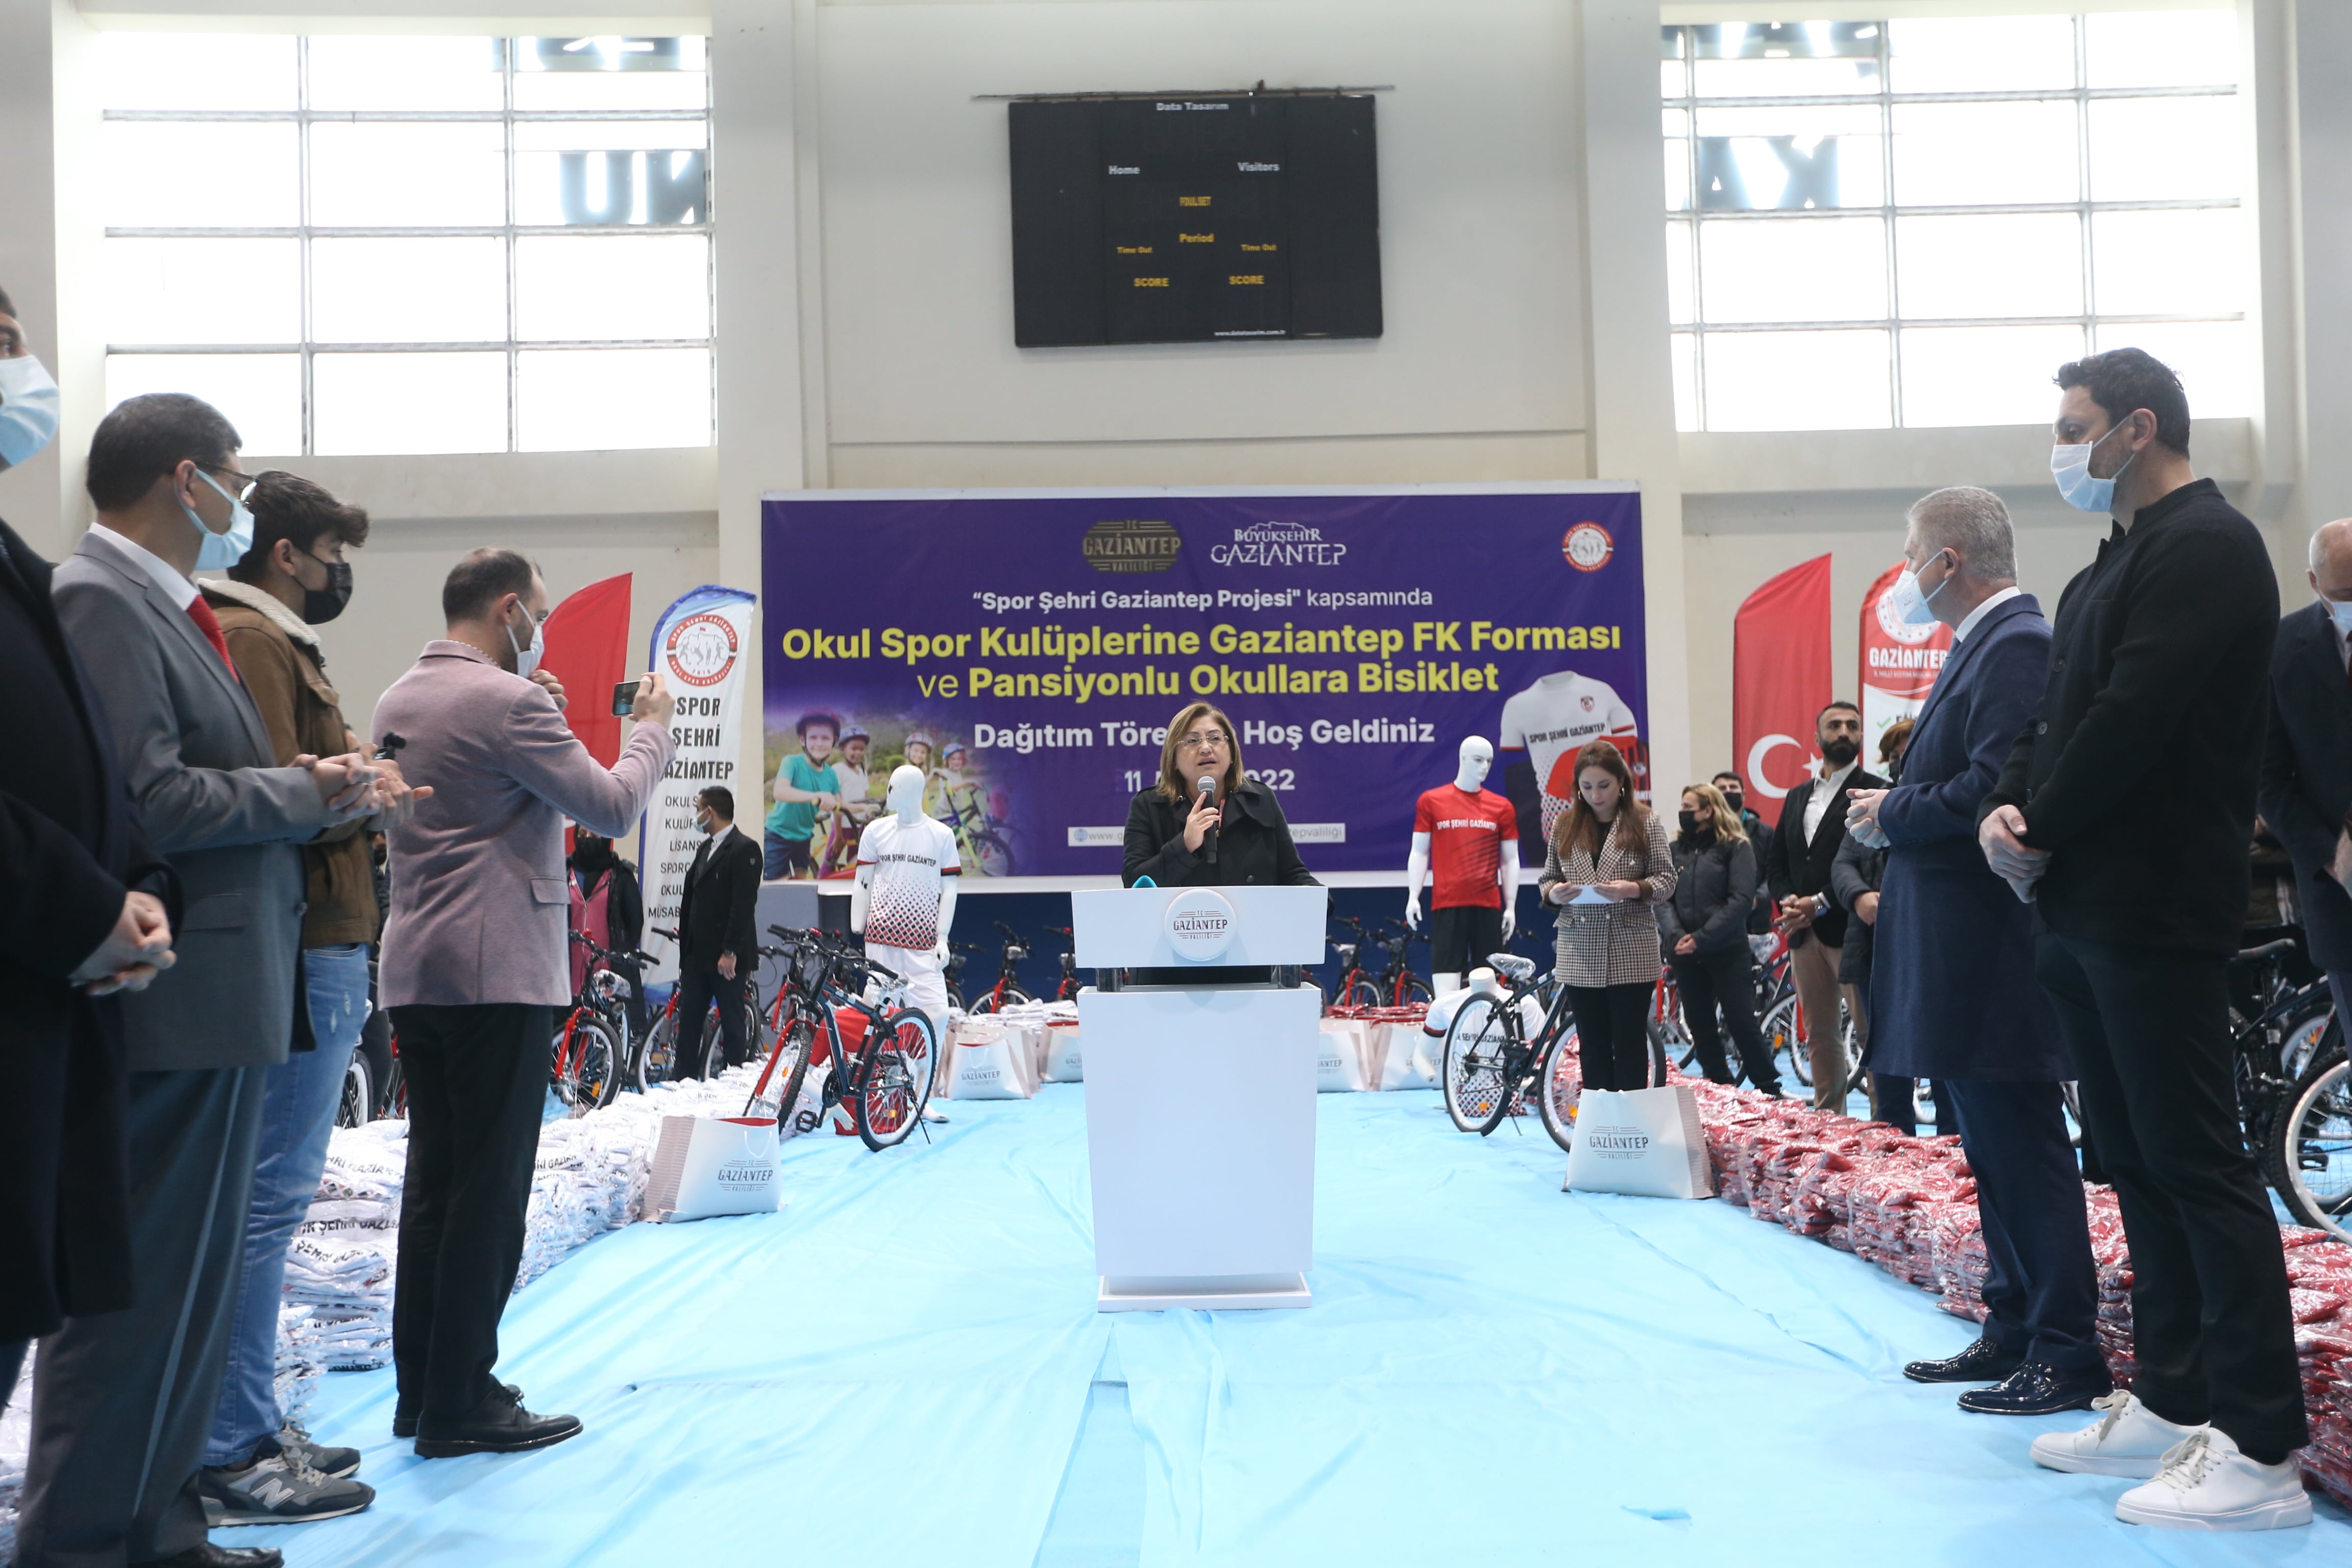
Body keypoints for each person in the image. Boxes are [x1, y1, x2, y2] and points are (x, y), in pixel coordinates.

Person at [30, 393, 379, 1568]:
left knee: (189, 1282)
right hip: (175, 987)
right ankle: (88, 1537)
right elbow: (150, 797)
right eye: (234, 474)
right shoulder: (100, 596)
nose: (241, 497)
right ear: (190, 480)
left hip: (226, 982)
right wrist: (305, 791)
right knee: (133, 1292)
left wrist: (308, 788)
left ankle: (162, 1523)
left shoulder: (175, 606)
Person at [1978, 349, 2307, 1528]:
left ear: (2138, 426)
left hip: (2157, 903)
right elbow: (2053, 715)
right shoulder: (2104, 565)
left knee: (2198, 1162)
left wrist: (2043, 824)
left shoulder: (2210, 547)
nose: (2060, 449)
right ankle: (2172, 1398)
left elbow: (2135, 717)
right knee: (2132, 1158)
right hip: (2081, 906)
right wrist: (2004, 808)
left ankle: (2261, 1444)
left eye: (2075, 426)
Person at [374, 549, 675, 1458]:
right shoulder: (509, 704)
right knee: (489, 1190)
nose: (540, 626)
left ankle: (426, 1388)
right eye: (536, 610)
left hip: (419, 968)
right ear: (509, 609)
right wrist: (652, 729)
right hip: (494, 971)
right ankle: (462, 1398)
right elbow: (612, 806)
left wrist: (529, 701)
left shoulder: (401, 698)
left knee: (435, 1183)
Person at [1844, 485, 2102, 1422]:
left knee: (2023, 1149)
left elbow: (1998, 788)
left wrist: (1892, 811)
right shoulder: (1979, 645)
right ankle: (2013, 1321)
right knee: (1988, 1150)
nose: (1904, 571)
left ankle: (2065, 1346)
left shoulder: (2016, 644)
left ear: (1947, 560)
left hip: (1989, 949)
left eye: (1910, 550)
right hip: (1956, 947)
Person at [196, 472, 424, 1525]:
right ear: (286, 553)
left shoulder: (276, 638)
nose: (341, 576)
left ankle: (242, 1425)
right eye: (334, 556)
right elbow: (268, 800)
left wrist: (353, 789)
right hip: (301, 942)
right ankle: (231, 1445)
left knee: (269, 1202)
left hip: (320, 938)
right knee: (265, 1204)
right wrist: (360, 795)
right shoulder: (254, 639)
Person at [0, 305, 178, 1442]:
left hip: (49, 999)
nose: (22, 367)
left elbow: (88, 764)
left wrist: (141, 889)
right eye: (0, 339)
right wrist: (84, 908)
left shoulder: (21, 561)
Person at [1763, 702, 1887, 1110]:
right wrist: (1790, 903)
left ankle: (1885, 1121)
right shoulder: (1797, 795)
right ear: (1817, 738)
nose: (1844, 732)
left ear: (1861, 736)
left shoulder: (1876, 790)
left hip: (1854, 927)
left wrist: (1819, 903)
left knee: (1870, 1033)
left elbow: (1869, 865)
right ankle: (1829, 1120)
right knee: (1819, 1034)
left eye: (1852, 725)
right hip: (1803, 932)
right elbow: (1777, 862)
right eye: (1834, 725)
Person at [2258, 517, 2352, 1035]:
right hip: (2340, 894)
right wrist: (2332, 856)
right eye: (2346, 594)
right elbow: (2268, 780)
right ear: (2316, 583)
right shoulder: (2281, 649)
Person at [1538, 740, 1676, 1092]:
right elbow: (1547, 879)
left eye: (1604, 786)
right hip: (1579, 949)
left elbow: (1667, 880)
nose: (1596, 796)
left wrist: (1633, 888)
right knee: (1592, 1045)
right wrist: (1554, 893)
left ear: (1622, 782)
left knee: (1630, 1044)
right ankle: (1599, 1119)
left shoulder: (1645, 821)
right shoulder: (1564, 824)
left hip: (1630, 947)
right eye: (1586, 787)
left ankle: (1631, 1118)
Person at [1658, 781, 1779, 1095]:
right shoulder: (1674, 850)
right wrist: (1677, 936)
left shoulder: (1736, 847)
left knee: (1741, 1021)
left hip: (1726, 949)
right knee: (1699, 1024)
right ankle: (1720, 1086)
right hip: (1684, 951)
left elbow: (1740, 901)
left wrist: (1701, 937)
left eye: (1689, 807)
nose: (1682, 812)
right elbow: (1663, 899)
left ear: (1709, 811)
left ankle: (1769, 1087)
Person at [1122, 701, 1319, 889]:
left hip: (1249, 913)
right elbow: (1134, 883)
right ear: (1173, 759)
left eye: (1215, 738)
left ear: (1232, 752)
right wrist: (1185, 845)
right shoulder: (1148, 805)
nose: (1206, 748)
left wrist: (1320, 900)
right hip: (1184, 914)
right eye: (1192, 741)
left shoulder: (1260, 799)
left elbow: (1292, 873)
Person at [1830, 718, 1912, 1130]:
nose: (1900, 762)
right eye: (1894, 756)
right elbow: (1842, 863)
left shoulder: (1940, 803)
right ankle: (1896, 1144)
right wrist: (1859, 895)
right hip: (1872, 947)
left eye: (1907, 753)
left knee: (1945, 1059)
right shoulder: (1871, 804)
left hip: (1925, 947)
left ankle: (1952, 1147)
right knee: (1884, 1053)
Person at [673, 785, 762, 1080]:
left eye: (698, 809)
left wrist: (730, 951)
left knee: (733, 1026)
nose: (696, 815)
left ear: (709, 812)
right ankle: (683, 1081)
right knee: (689, 1025)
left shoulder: (744, 848)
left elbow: (743, 905)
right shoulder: (705, 847)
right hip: (697, 956)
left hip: (726, 959)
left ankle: (733, 1083)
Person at [568, 828, 646, 1040]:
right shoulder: (565, 872)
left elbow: (635, 922)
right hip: (569, 974)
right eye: (582, 833)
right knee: (569, 1038)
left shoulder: (621, 875)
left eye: (594, 834)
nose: (587, 839)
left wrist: (620, 949)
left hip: (609, 973)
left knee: (610, 1038)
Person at [1712, 769, 1773, 934]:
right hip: (1713, 924)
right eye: (1722, 789)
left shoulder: (1764, 832)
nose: (1728, 791)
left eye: (1733, 787)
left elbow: (1773, 875)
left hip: (1755, 923)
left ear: (1744, 794)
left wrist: (1756, 899)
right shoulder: (1703, 833)